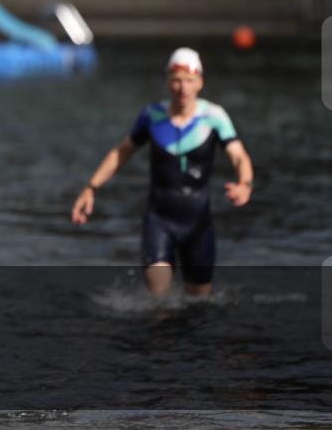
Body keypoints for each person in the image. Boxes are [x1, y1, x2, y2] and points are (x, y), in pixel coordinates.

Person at [71, 48, 254, 297]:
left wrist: (245, 183)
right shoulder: (152, 116)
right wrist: (90, 188)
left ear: (200, 82)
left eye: (189, 81)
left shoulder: (213, 117)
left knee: (198, 304)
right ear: (168, 81)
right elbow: (121, 152)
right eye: (177, 80)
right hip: (159, 221)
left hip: (198, 223)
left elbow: (238, 155)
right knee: (159, 301)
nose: (183, 88)